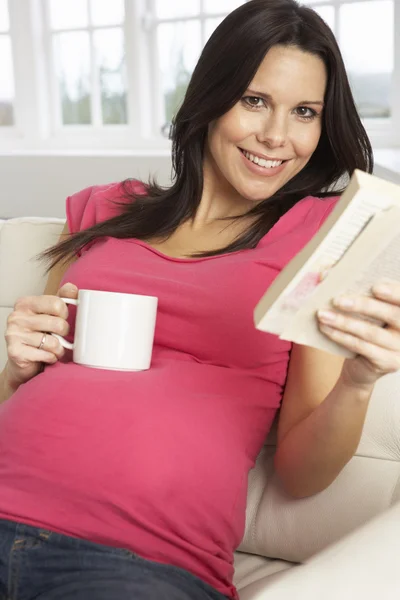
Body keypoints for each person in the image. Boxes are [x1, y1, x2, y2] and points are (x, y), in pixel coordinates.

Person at [1, 1, 399, 599]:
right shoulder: (104, 209)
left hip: (135, 559)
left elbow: (301, 474)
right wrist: (17, 365)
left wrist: (359, 381)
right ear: (211, 98)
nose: (276, 136)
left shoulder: (317, 236)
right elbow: (31, 380)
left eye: (305, 112)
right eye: (255, 100)